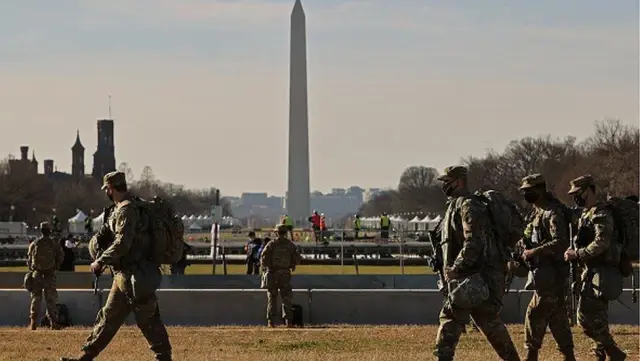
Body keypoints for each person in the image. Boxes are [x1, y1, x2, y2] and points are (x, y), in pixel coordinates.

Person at [61, 171, 172, 361]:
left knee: (149, 320)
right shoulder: (120, 208)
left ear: (110, 189)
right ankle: (85, 356)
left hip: (138, 276)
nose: (106, 193)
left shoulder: (127, 210)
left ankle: (164, 357)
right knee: (108, 317)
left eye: (106, 189)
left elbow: (123, 243)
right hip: (124, 276)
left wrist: (100, 261)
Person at [433, 165, 520, 361]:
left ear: (459, 182)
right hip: (478, 279)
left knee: (450, 320)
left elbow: (474, 242)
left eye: (447, 181)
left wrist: (457, 268)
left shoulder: (468, 206)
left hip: (474, 278)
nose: (445, 186)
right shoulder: (458, 205)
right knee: (489, 322)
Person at [564, 175, 627, 361]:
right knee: (598, 317)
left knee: (584, 317)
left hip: (601, 271)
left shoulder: (601, 213)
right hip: (591, 271)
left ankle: (613, 352)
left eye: (578, 193)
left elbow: (602, 243)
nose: (575, 197)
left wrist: (578, 254)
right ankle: (601, 352)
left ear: (588, 190)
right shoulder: (587, 213)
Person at [518, 174, 575, 361]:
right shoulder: (536, 212)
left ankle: (531, 354)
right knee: (556, 316)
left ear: (541, 189)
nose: (527, 194)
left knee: (534, 312)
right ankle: (568, 355)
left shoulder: (553, 212)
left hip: (553, 273)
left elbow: (560, 242)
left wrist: (534, 252)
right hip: (543, 273)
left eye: (530, 190)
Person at [260, 224, 302, 327]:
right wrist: (291, 265)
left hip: (273, 273)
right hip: (285, 274)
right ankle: (289, 321)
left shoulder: (272, 244)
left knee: (272, 297)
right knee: (286, 297)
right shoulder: (290, 244)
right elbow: (297, 258)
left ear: (276, 233)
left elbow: (263, 257)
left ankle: (271, 321)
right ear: (286, 233)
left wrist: (267, 268)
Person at [27, 221, 64, 330]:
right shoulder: (54, 243)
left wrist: (32, 269)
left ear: (41, 231)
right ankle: (54, 323)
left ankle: (33, 323)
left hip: (37, 274)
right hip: (49, 274)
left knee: (36, 298)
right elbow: (61, 255)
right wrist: (56, 266)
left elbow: (29, 259)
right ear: (49, 231)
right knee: (51, 299)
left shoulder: (34, 243)